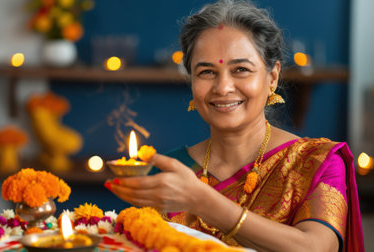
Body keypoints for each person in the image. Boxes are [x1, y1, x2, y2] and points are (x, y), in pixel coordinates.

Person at [104, 0, 365, 251]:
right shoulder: (171, 173)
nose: (223, 87)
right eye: (206, 72)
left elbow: (316, 248)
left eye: (240, 69)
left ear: (272, 77)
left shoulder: (316, 163)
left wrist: (203, 201)